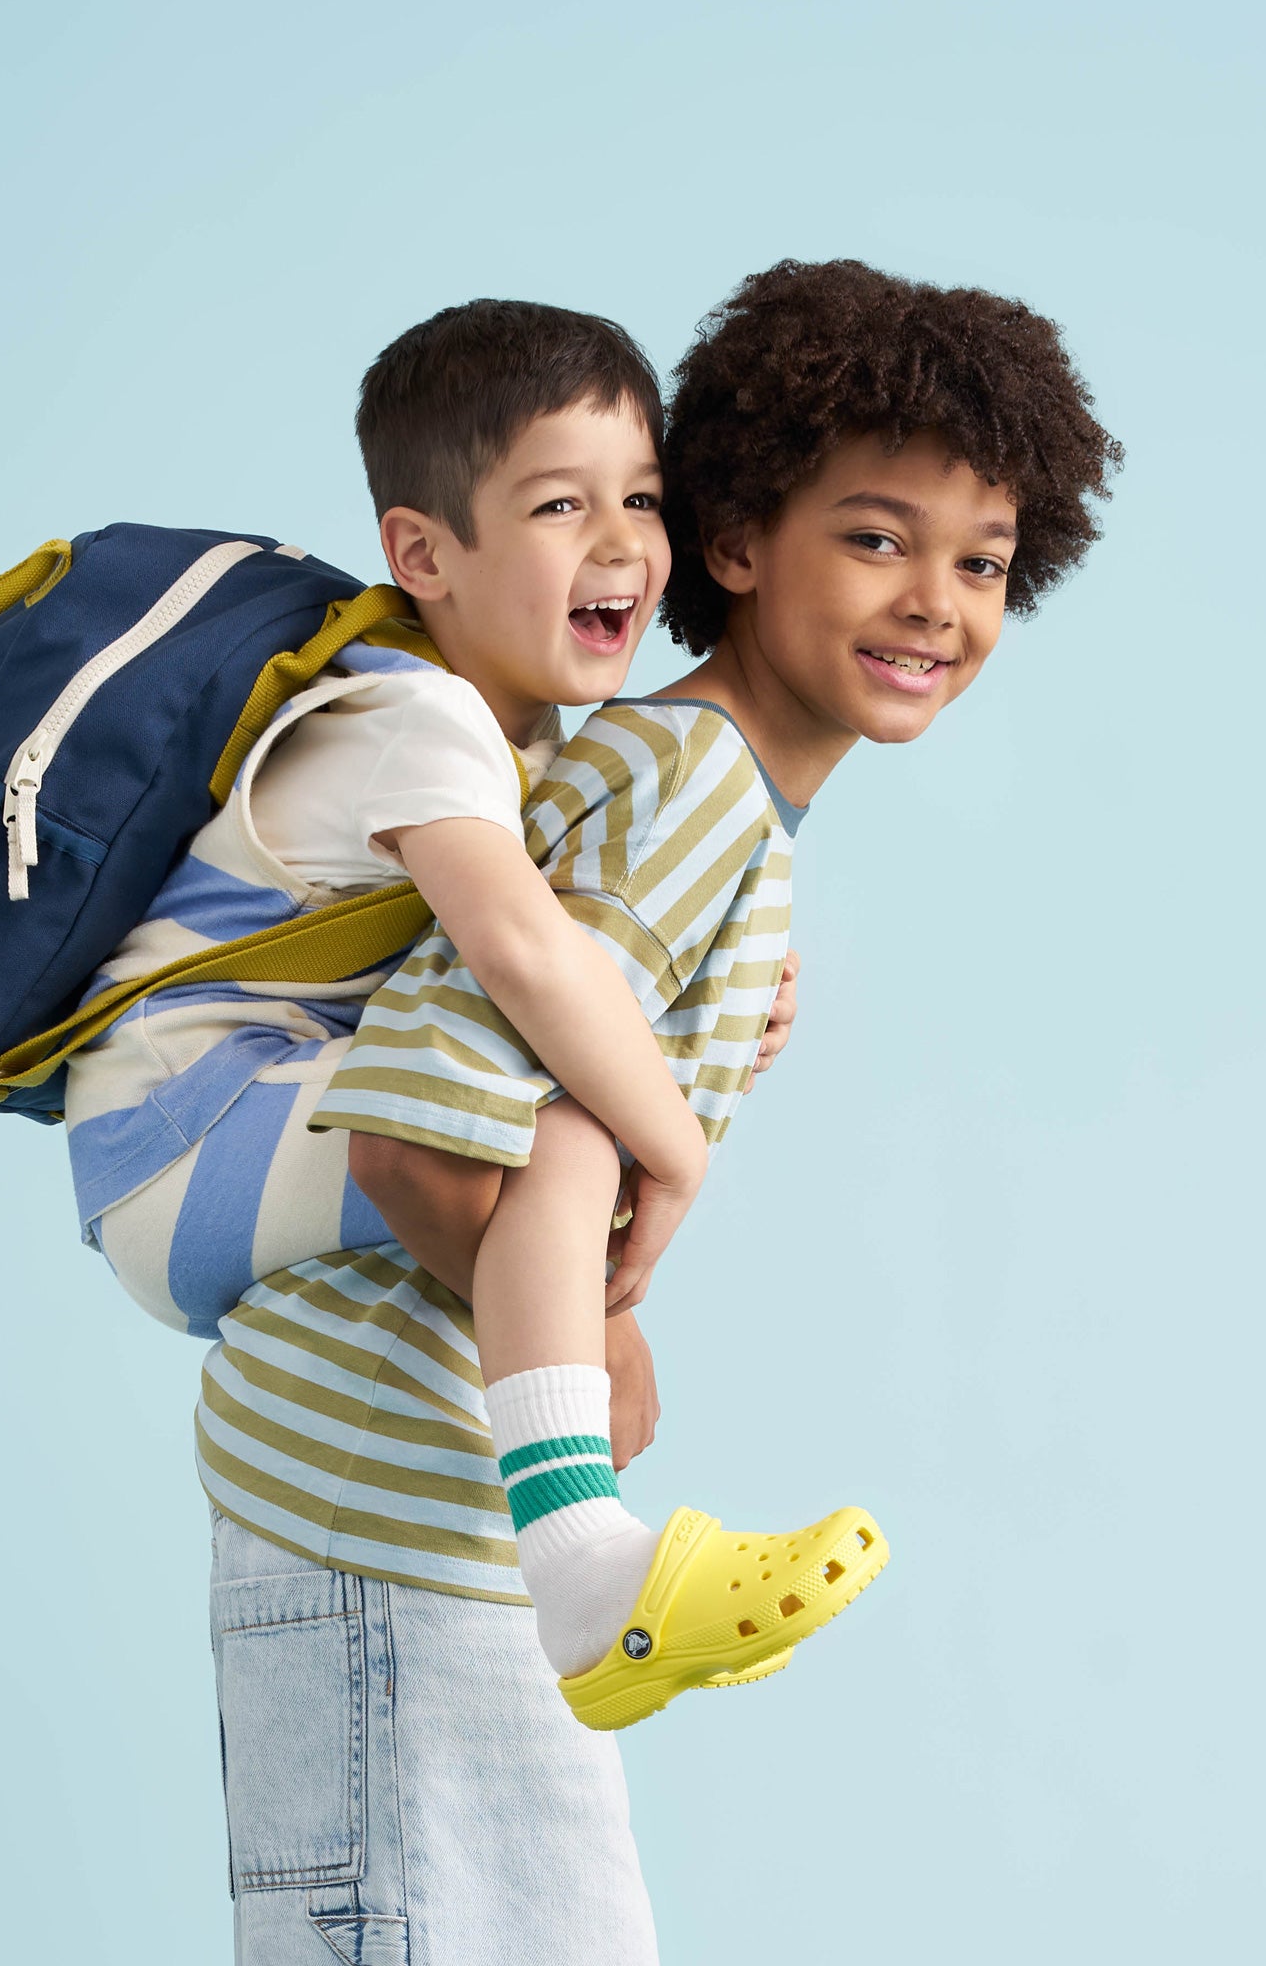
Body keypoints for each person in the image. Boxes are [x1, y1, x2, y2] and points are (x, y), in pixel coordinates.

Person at [188, 260, 1121, 1962]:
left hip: (447, 1521)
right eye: (875, 538)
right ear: (739, 540)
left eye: (979, 561)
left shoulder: (711, 804)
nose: (935, 602)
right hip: (382, 1503)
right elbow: (412, 1130)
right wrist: (597, 1344)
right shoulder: (684, 782)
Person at [66, 297, 865, 1691]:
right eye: (560, 505)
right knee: (562, 1131)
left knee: (555, 1107)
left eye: (642, 499)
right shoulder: (419, 716)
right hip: (182, 1143)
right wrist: (666, 1152)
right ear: (421, 554)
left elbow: (556, 960)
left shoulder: (523, 733)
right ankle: (582, 1571)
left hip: (221, 1127)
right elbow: (519, 954)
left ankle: (588, 1570)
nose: (620, 543)